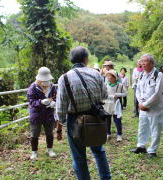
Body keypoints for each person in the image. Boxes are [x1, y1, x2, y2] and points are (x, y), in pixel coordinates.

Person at [56, 46, 111, 180]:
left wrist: (59, 127)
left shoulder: (64, 78)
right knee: (99, 151)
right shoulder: (96, 73)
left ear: (72, 60)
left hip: (75, 120)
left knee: (79, 157)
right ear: (86, 59)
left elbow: (61, 106)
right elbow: (104, 95)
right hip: (94, 116)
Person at [131, 54, 163, 158]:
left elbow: (158, 93)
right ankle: (141, 146)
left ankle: (152, 150)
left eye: (145, 61)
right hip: (143, 107)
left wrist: (145, 104)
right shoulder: (141, 74)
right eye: (141, 61)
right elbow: (138, 90)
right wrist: (141, 103)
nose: (142, 63)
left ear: (151, 63)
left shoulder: (158, 75)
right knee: (142, 126)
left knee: (155, 129)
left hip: (155, 108)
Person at [27, 67, 61, 160]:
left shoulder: (52, 86)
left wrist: (54, 102)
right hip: (36, 115)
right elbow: (31, 101)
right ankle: (34, 152)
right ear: (39, 79)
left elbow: (56, 97)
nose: (46, 82)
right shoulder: (33, 87)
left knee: (49, 133)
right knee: (34, 134)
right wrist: (40, 102)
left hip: (48, 114)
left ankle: (50, 149)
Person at [104, 70, 127, 142]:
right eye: (107, 76)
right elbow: (103, 94)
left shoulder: (120, 85)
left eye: (110, 76)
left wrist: (117, 95)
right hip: (107, 105)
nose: (108, 78)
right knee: (107, 120)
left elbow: (125, 94)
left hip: (116, 105)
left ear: (114, 77)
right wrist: (111, 96)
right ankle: (108, 133)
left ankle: (119, 134)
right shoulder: (105, 85)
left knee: (117, 120)